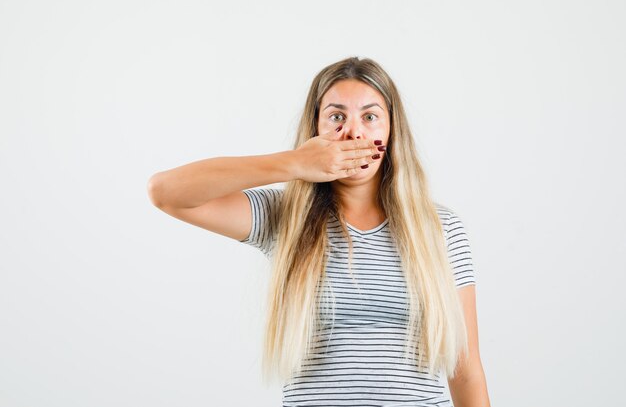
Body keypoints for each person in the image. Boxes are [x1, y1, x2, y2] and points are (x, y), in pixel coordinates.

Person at [147, 56, 491, 407]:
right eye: (336, 117)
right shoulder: (284, 217)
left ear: (391, 131)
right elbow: (166, 193)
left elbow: (465, 370)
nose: (354, 132)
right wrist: (294, 163)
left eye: (370, 117)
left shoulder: (440, 229)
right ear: (315, 129)